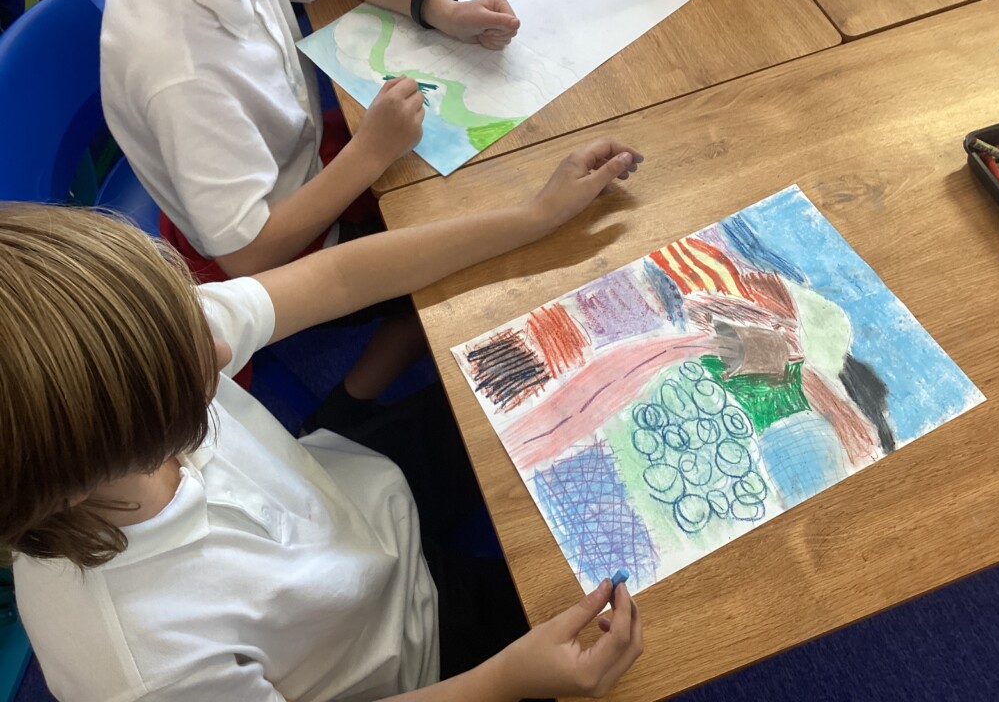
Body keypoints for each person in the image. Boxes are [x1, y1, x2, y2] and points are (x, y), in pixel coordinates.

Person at [1, 141, 644, 702]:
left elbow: (336, 277)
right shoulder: (141, 669)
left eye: (195, 320)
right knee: (633, 613)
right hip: (414, 654)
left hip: (357, 489)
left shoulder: (136, 345)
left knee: (566, 390)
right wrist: (502, 681)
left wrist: (532, 217)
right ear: (78, 474)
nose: (221, 351)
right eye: (187, 389)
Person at [100, 0, 522, 404]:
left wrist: (439, 9)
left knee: (474, 199)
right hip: (275, 242)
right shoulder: (177, 71)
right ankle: (351, 403)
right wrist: (371, 152)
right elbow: (248, 256)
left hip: (296, 163)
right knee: (478, 248)